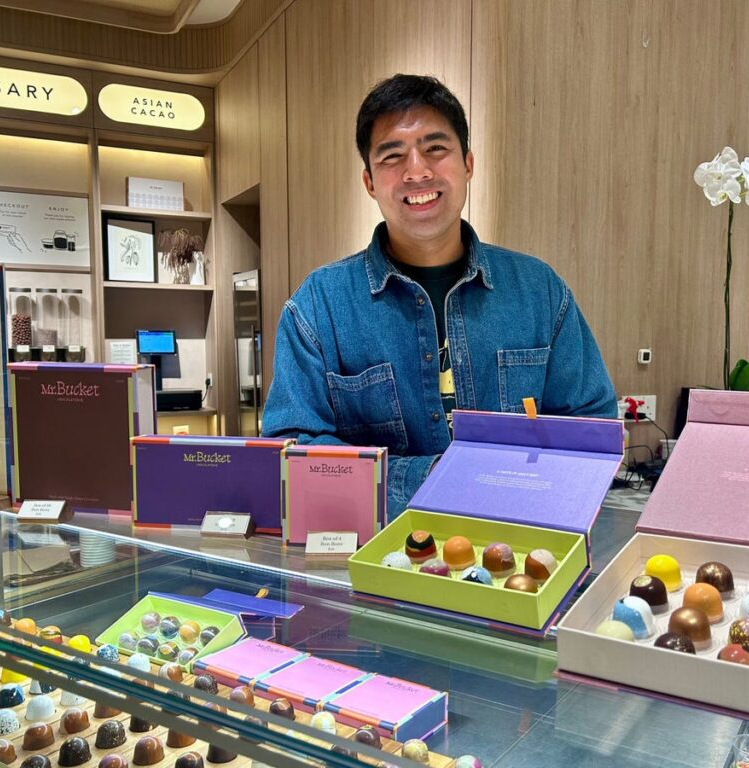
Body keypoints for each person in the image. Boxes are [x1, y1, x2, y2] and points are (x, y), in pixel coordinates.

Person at [262, 74, 616, 518]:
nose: (417, 171)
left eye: (435, 148)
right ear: (369, 181)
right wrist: (440, 478)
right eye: (392, 156)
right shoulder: (319, 306)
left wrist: (505, 484)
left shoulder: (539, 291)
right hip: (375, 547)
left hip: (520, 541)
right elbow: (292, 452)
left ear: (468, 164)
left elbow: (591, 428)